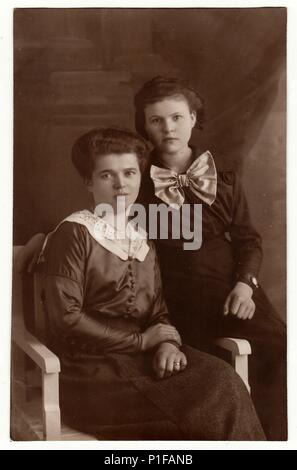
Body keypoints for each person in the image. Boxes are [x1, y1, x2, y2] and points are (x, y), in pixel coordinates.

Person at [38, 127, 265, 440]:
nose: (121, 185)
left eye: (130, 173)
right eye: (107, 175)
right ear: (89, 182)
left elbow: (158, 312)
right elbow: (65, 318)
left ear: (140, 177)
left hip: (143, 360)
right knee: (212, 398)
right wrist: (143, 343)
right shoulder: (73, 234)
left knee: (224, 377)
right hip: (89, 374)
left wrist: (168, 344)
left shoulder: (141, 233)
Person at [134, 76, 286, 440]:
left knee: (282, 351)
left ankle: (276, 440)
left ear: (192, 118)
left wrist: (245, 285)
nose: (168, 128)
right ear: (145, 126)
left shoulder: (226, 180)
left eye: (176, 117)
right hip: (173, 299)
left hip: (231, 294)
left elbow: (249, 240)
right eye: (156, 120)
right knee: (200, 379)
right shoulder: (137, 181)